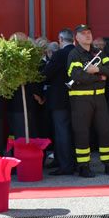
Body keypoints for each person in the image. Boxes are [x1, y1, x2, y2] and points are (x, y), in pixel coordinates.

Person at [66, 24, 109, 177]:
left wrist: (97, 70)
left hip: (99, 98)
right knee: (82, 132)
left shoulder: (99, 53)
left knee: (105, 131)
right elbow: (76, 75)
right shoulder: (74, 54)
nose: (87, 35)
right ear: (77, 38)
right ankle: (83, 166)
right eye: (83, 33)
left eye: (89, 32)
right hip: (80, 99)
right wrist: (100, 77)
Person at [42, 28, 76, 176]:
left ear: (61, 39)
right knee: (75, 132)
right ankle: (76, 163)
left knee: (62, 133)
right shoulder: (79, 53)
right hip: (78, 99)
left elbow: (46, 74)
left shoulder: (59, 54)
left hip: (59, 99)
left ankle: (65, 165)